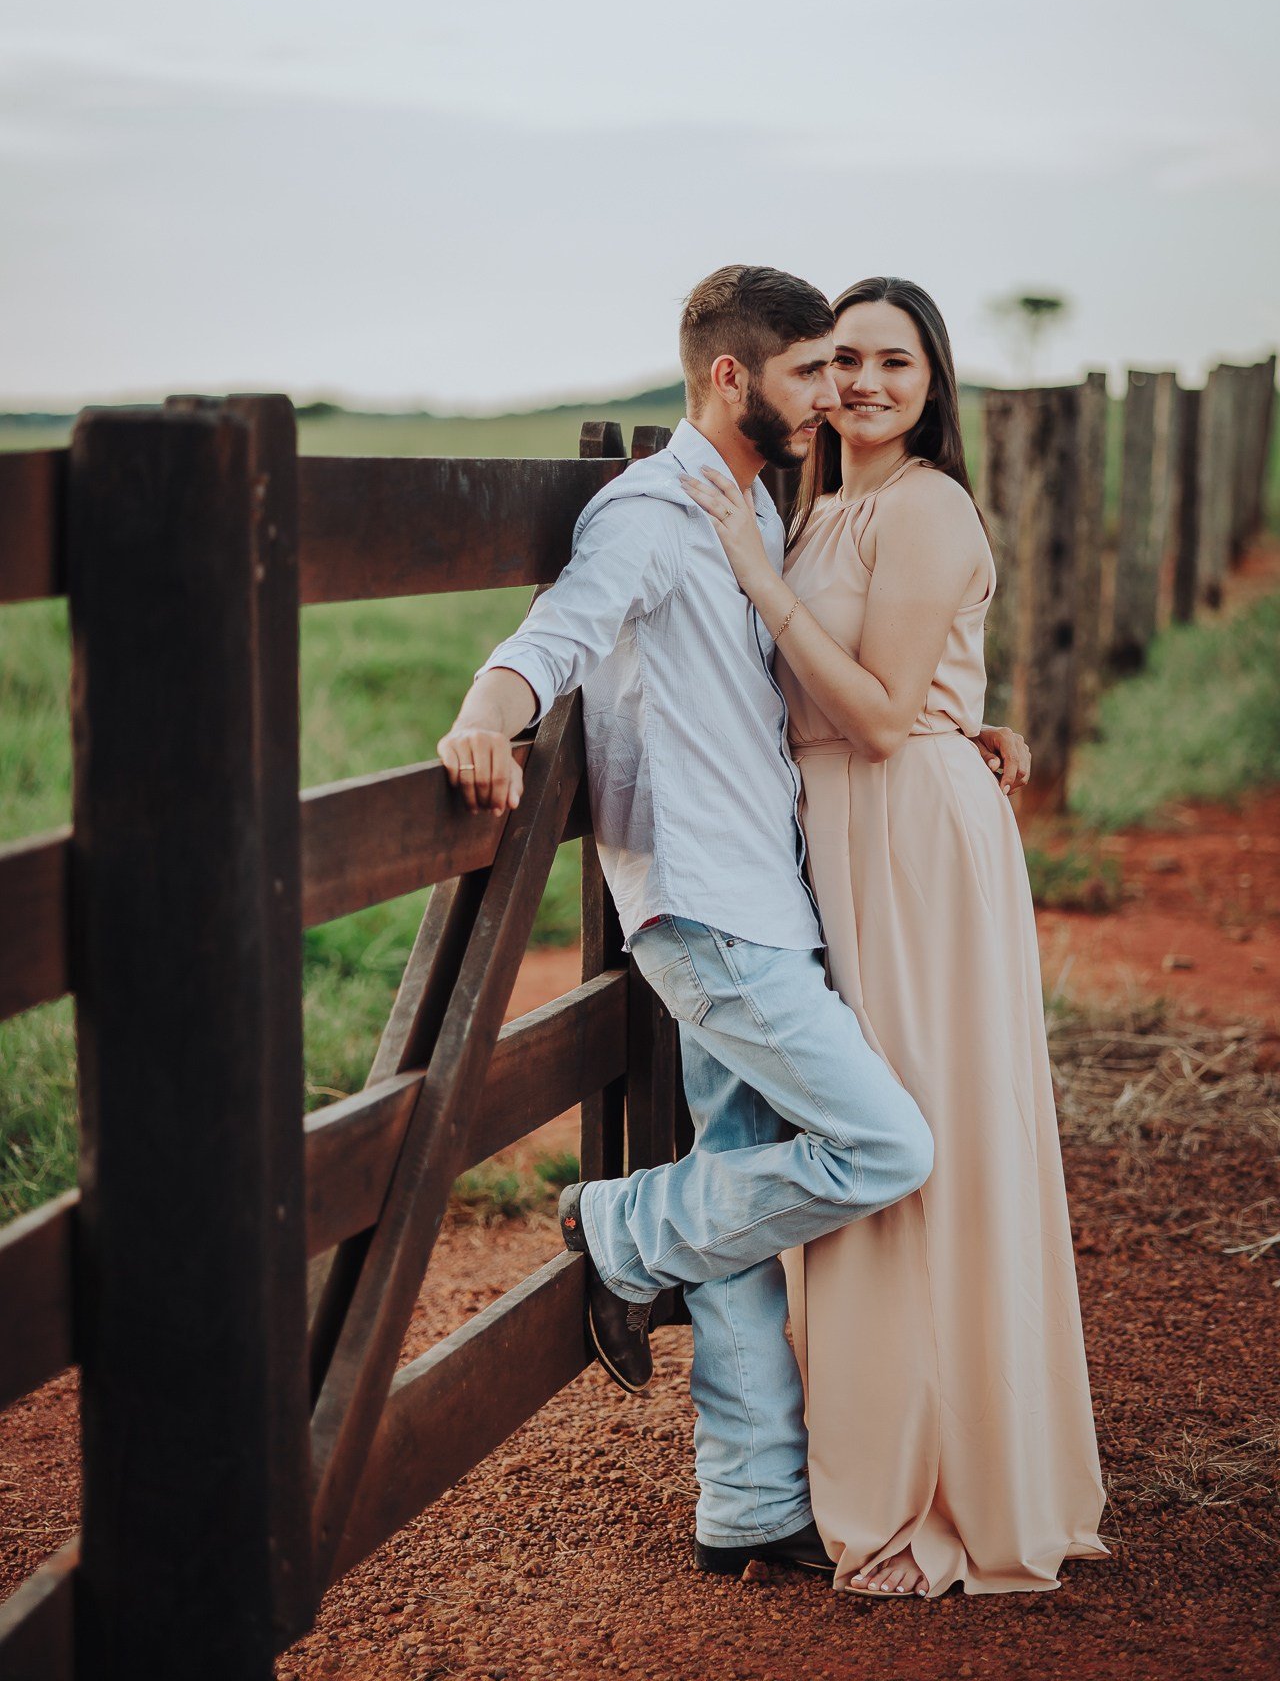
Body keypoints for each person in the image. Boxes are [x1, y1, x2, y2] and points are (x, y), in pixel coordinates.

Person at [438, 264, 1026, 1576]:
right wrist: (486, 721)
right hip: (708, 908)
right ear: (731, 376)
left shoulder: (760, 500)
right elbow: (556, 635)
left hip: (774, 895)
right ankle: (622, 1230)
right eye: (811, 373)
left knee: (747, 1176)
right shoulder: (653, 512)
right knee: (883, 1146)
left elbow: (816, 677)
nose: (836, 397)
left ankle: (750, 1502)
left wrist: (957, 721)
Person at [678, 274, 1107, 1598]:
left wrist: (756, 573)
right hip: (838, 845)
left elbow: (872, 717)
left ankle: (944, 1482)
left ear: (934, 386)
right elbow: (874, 690)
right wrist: (968, 709)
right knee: (861, 1139)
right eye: (841, 360)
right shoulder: (822, 503)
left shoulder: (928, 507)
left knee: (923, 1144)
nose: (863, 383)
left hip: (912, 846)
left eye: (893, 363)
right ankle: (860, 1455)